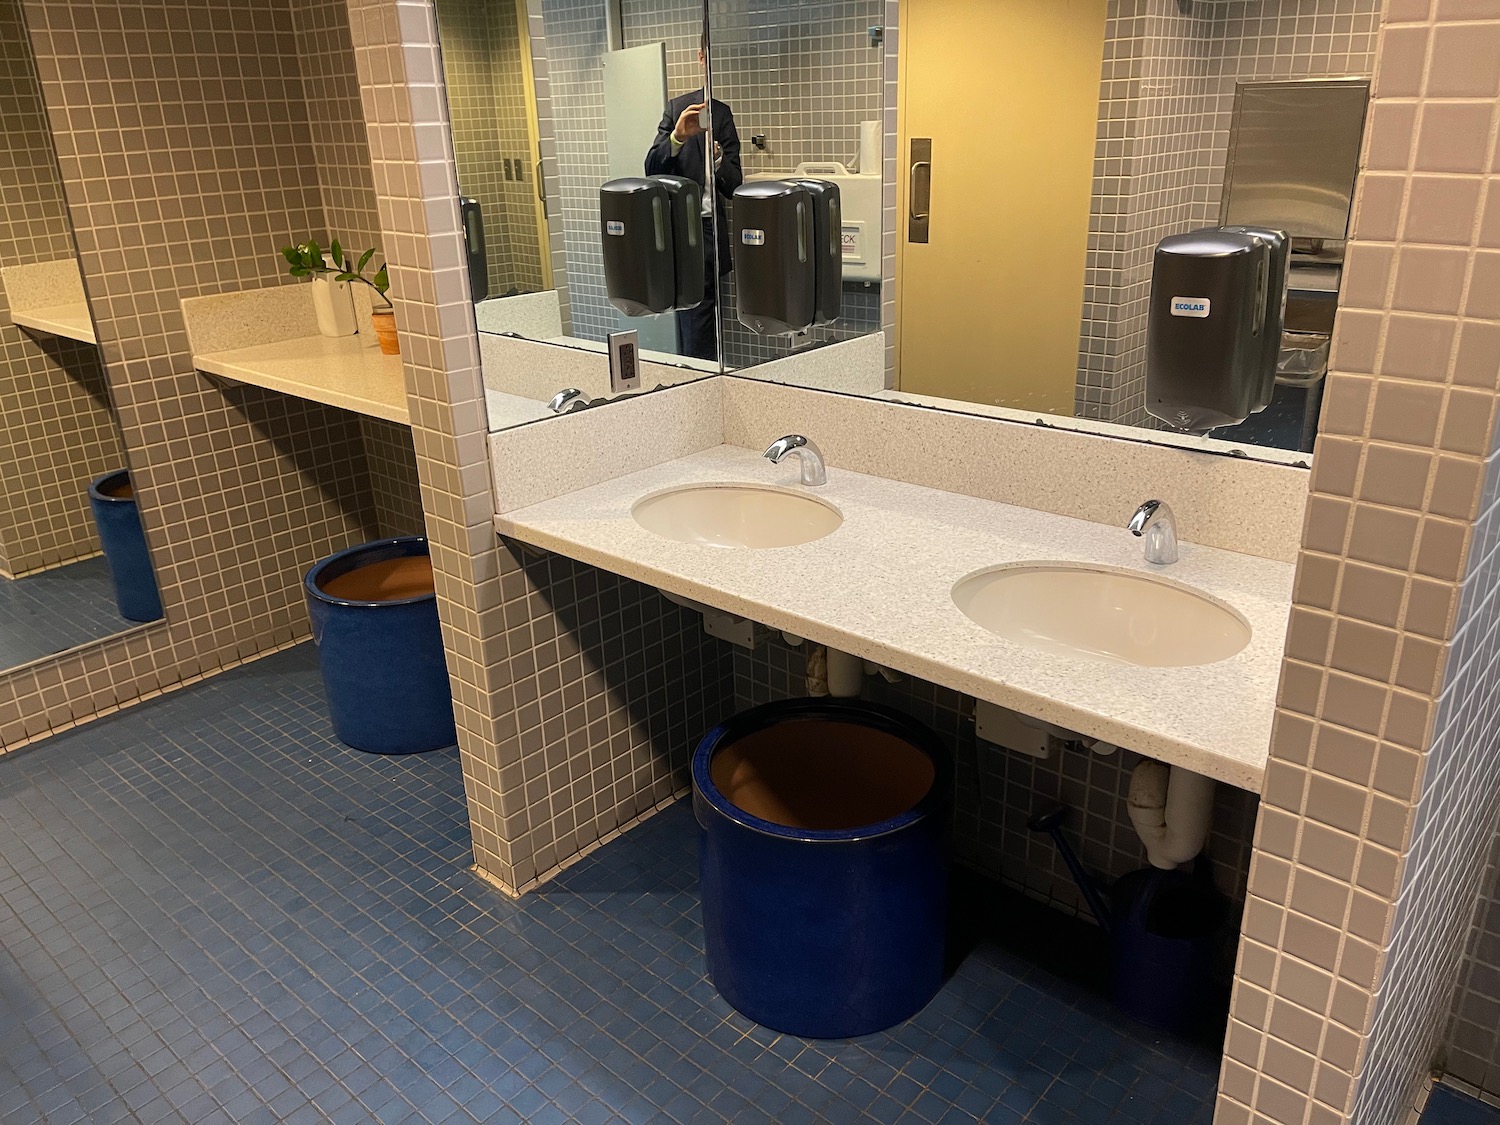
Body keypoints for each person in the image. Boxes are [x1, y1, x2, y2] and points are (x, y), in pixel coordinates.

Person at [644, 30, 742, 362]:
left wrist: (717, 159)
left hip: (710, 231)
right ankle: (693, 375)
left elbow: (734, 184)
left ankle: (696, 376)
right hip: (679, 232)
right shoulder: (677, 109)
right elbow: (651, 167)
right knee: (689, 315)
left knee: (701, 318)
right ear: (700, 57)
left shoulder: (723, 114)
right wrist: (676, 138)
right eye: (707, 54)